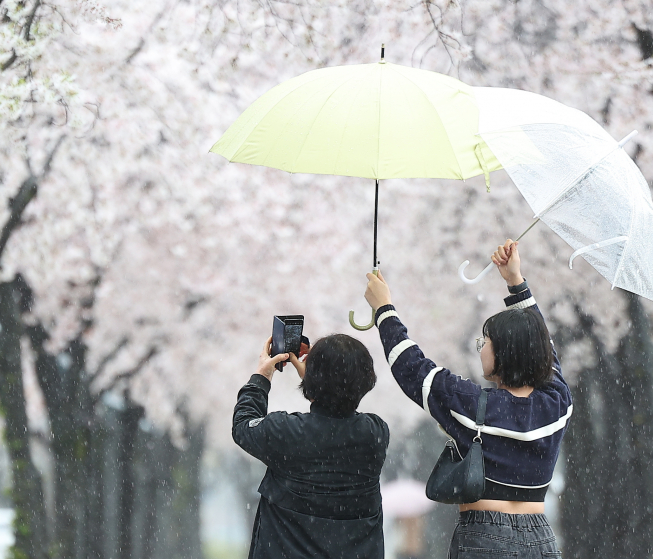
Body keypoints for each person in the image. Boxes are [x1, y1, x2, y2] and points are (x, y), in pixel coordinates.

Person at [364, 240, 571, 558]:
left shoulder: (472, 405)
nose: (480, 347)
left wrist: (384, 310)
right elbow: (546, 348)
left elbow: (411, 369)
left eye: (484, 341)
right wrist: (516, 283)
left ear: (504, 351)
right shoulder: (557, 403)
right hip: (540, 539)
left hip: (484, 537)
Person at [232, 333, 389, 559]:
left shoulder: (285, 432)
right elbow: (338, 411)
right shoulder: (375, 434)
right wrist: (321, 380)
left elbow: (243, 424)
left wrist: (262, 375)